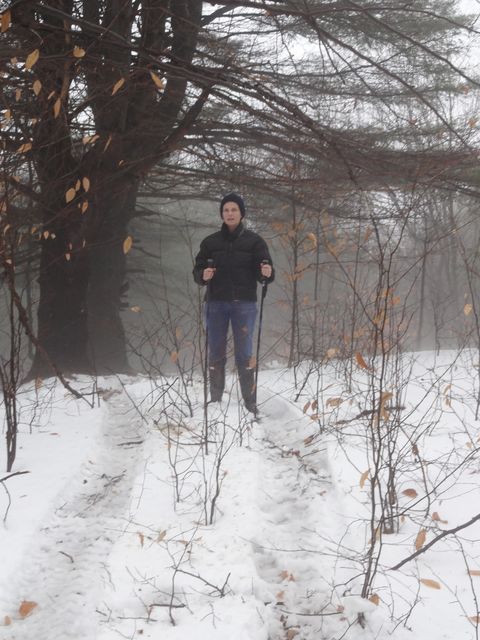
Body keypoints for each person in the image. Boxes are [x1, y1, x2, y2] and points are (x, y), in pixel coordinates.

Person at [193, 192, 274, 413]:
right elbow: (197, 271)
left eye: (234, 210)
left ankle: (250, 402)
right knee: (215, 351)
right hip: (215, 303)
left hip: (244, 304)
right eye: (226, 210)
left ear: (241, 213)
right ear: (222, 214)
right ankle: (215, 400)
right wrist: (203, 275)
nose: (230, 214)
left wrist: (267, 272)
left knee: (245, 353)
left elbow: (265, 272)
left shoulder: (255, 242)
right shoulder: (210, 242)